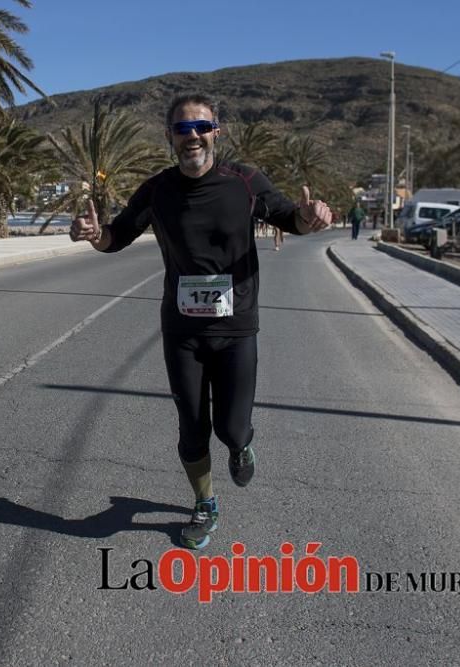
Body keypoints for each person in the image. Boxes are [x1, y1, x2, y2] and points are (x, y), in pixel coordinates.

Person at [70, 94, 332, 550]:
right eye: (182, 129)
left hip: (236, 330)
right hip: (182, 330)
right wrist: (96, 236)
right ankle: (205, 501)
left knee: (230, 427)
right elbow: (119, 235)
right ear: (170, 136)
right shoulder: (157, 190)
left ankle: (240, 445)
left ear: (217, 131)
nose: (192, 136)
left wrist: (309, 221)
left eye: (201, 127)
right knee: (191, 425)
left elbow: (289, 216)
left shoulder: (245, 182)